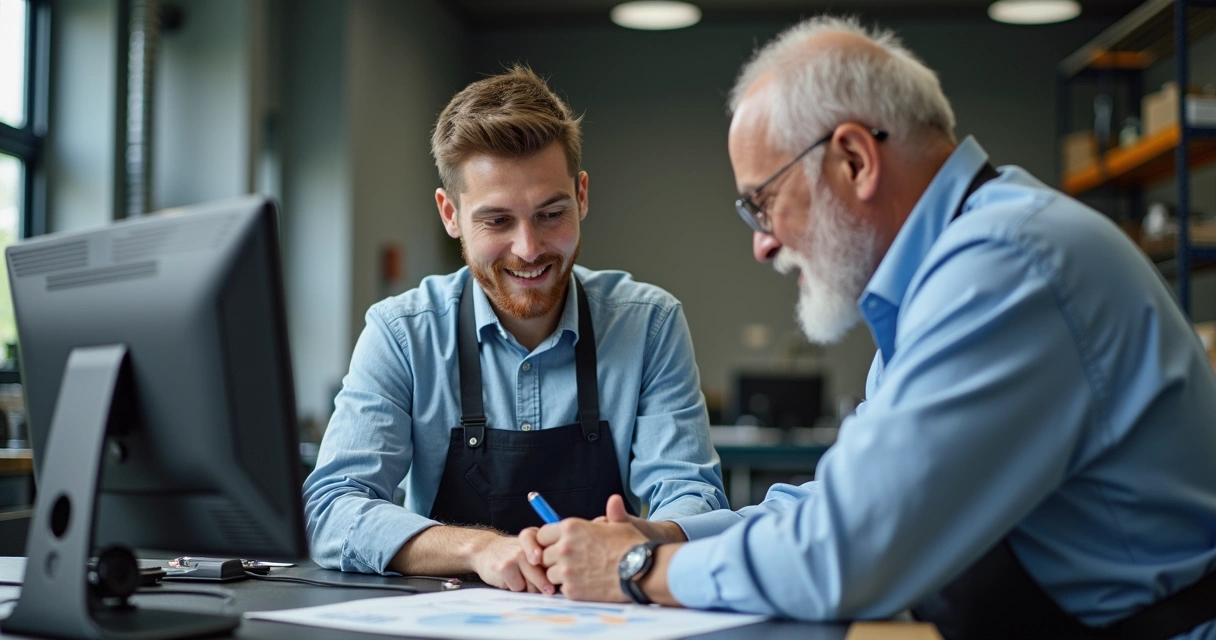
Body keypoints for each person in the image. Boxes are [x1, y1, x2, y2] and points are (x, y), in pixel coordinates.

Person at [523, 16, 1216, 639]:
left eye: (763, 203)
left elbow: (844, 553)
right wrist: (665, 532)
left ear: (854, 159)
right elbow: (831, 502)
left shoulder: (1006, 266)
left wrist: (640, 567)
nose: (762, 244)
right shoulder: (946, 278)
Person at [303, 66, 727, 594]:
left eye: (551, 213)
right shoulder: (401, 333)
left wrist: (643, 538)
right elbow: (333, 508)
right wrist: (480, 548)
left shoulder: (649, 324)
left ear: (583, 196)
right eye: (497, 221)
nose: (529, 249)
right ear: (450, 214)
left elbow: (695, 498)